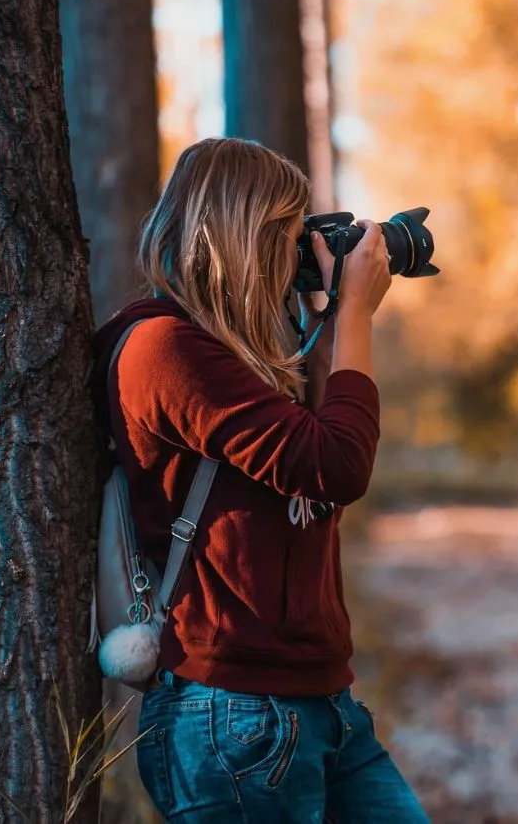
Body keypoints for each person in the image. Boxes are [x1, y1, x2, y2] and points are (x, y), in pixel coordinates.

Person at [91, 137, 430, 823]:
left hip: (319, 705)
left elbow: (307, 461)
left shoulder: (237, 356)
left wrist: (323, 322)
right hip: (233, 714)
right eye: (287, 229)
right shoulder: (166, 347)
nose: (297, 248)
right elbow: (336, 466)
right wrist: (357, 314)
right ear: (245, 234)